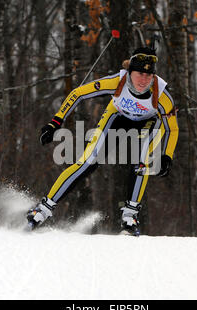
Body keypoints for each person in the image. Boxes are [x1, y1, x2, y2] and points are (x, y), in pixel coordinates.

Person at [26, 46, 179, 236]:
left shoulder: (162, 95)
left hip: (148, 122)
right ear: (130, 71)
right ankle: (43, 208)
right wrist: (55, 122)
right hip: (117, 117)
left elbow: (172, 128)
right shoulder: (117, 81)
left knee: (143, 162)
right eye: (140, 73)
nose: (144, 80)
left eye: (149, 75)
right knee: (87, 162)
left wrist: (166, 156)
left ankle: (130, 217)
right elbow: (78, 93)